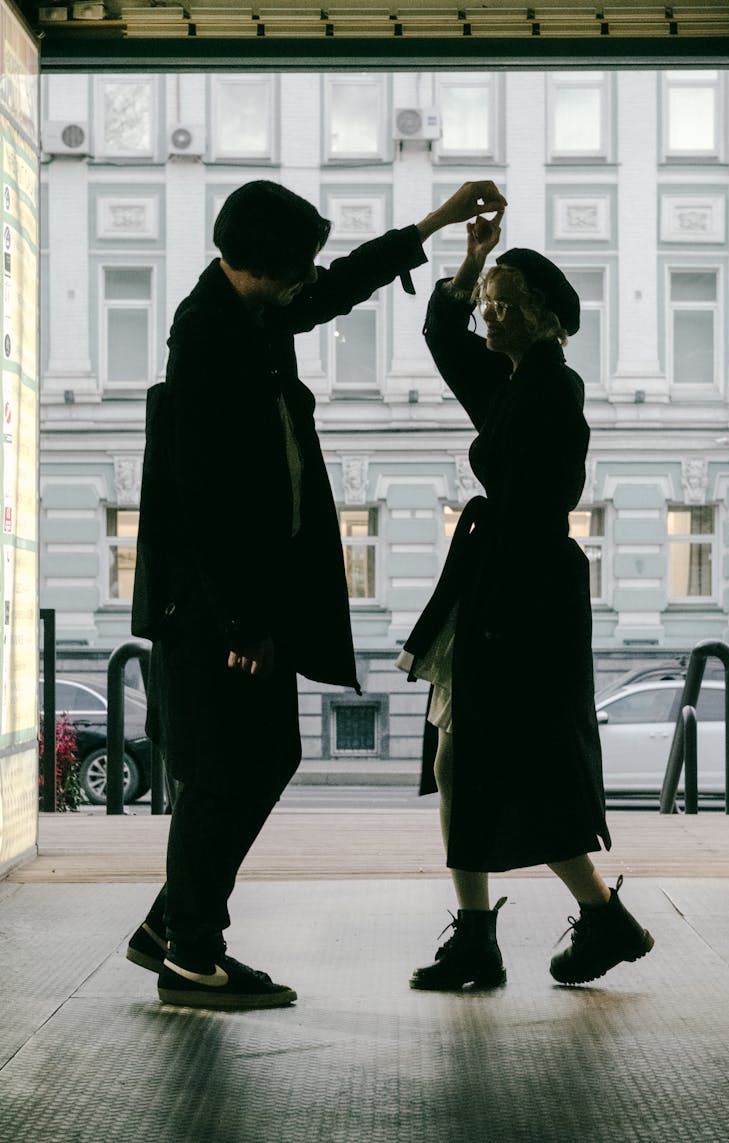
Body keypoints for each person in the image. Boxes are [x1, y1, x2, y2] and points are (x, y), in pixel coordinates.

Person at [124, 178, 507, 1010]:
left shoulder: (253, 310)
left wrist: (435, 223)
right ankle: (191, 952)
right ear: (252, 264)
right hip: (218, 612)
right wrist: (243, 621)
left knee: (253, 758)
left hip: (244, 602)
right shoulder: (207, 338)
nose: (307, 278)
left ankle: (176, 925)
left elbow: (337, 286)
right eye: (293, 266)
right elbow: (204, 496)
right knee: (228, 770)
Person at [397, 203, 654, 991]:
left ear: (544, 318)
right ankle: (519, 927)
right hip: (506, 592)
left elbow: (537, 505)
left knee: (499, 762)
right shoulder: (513, 381)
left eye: (504, 303)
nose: (488, 313)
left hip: (520, 599)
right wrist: (474, 256)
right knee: (469, 757)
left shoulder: (550, 389)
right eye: (489, 302)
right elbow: (442, 334)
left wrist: (486, 620)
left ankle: (535, 926)